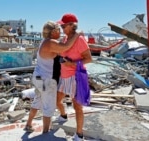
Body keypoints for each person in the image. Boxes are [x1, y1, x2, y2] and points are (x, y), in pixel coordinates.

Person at [24, 21, 81, 133]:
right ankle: (45, 133)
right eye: (59, 29)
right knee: (48, 107)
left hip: (38, 78)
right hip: (46, 80)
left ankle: (28, 124)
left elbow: (61, 47)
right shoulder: (50, 43)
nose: (60, 31)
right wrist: (77, 35)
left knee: (37, 101)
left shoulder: (44, 42)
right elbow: (66, 46)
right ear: (53, 31)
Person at [55, 13, 92, 141]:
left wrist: (72, 63)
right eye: (61, 25)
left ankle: (79, 134)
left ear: (72, 25)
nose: (62, 27)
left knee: (77, 107)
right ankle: (64, 115)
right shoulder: (66, 39)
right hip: (64, 76)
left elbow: (89, 59)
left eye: (64, 25)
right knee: (57, 100)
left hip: (75, 77)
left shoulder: (79, 40)